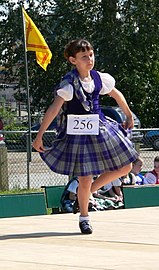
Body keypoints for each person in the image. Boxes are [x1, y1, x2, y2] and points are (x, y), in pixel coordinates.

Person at [32, 39, 138, 234]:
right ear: (73, 60)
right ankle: (84, 217)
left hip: (100, 128)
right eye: (84, 57)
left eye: (91, 55)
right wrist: (39, 136)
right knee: (85, 177)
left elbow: (116, 94)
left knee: (126, 166)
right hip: (78, 135)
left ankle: (86, 193)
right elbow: (54, 109)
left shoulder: (99, 78)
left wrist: (128, 114)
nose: (90, 59)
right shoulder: (69, 84)